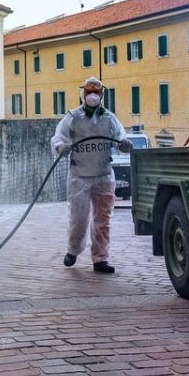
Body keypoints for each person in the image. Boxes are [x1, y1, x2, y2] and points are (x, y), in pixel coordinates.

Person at [50, 77, 131, 274]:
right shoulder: (73, 117)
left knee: (103, 219)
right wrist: (61, 147)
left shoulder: (110, 118)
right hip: (80, 177)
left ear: (102, 94)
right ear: (83, 94)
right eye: (89, 92)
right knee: (79, 218)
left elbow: (121, 136)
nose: (93, 95)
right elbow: (58, 137)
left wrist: (124, 144)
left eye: (96, 92)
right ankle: (73, 250)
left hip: (103, 175)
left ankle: (100, 259)